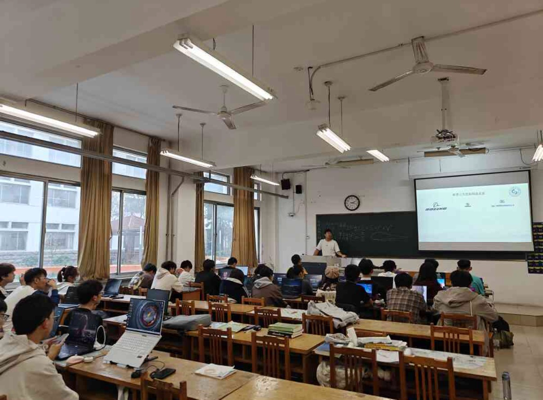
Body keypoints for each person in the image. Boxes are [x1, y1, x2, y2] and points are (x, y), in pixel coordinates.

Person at [0, 294, 79, 399]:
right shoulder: (41, 365)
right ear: (46, 323)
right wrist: (49, 359)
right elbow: (69, 398)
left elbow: (24, 351)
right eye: (53, 317)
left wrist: (42, 347)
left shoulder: (4, 342)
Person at [433, 270, 498, 330]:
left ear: (451, 283)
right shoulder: (478, 300)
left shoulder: (439, 298)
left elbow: (434, 309)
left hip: (445, 337)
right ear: (470, 284)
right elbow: (494, 317)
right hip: (473, 337)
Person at [4, 268, 59, 333]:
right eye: (45, 278)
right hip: (9, 330)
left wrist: (46, 289)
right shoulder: (32, 293)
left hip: (4, 326)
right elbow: (52, 306)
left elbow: (44, 301)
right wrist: (54, 288)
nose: (47, 281)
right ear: (36, 280)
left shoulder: (22, 288)